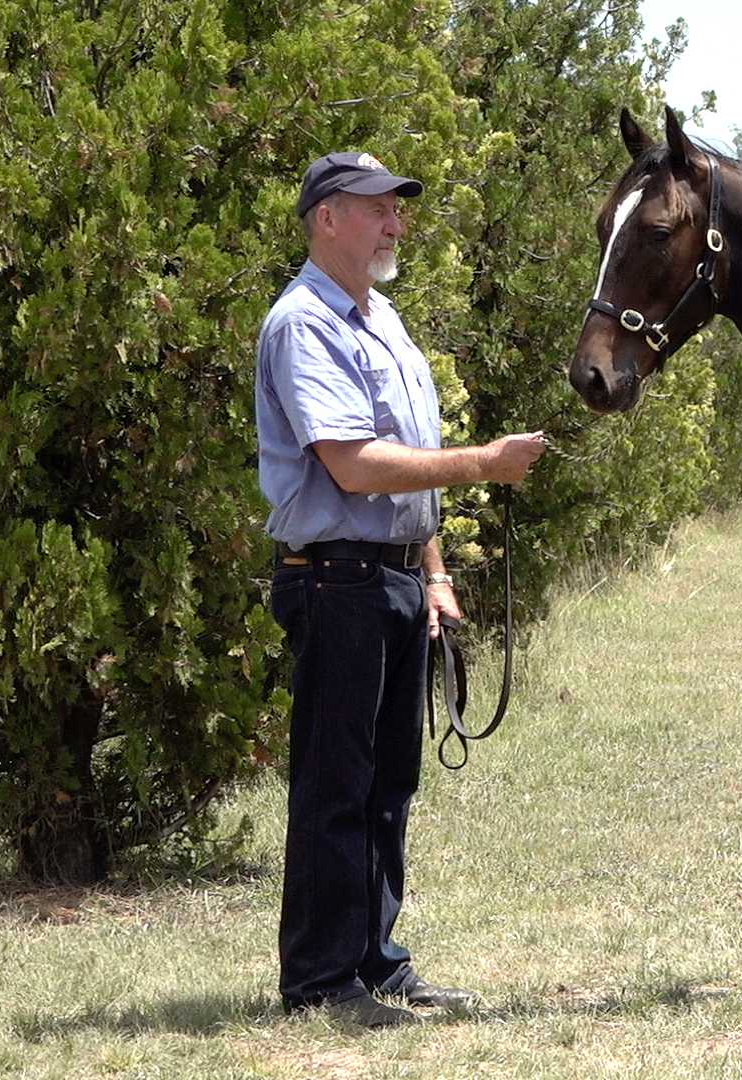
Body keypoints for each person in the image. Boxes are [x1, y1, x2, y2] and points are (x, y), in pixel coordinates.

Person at [255, 151, 546, 1028]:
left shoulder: (382, 318)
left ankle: (375, 962)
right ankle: (319, 981)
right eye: (377, 208)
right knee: (335, 785)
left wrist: (435, 571)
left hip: (389, 579)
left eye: (398, 208)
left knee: (388, 784)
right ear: (327, 218)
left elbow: (404, 475)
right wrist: (484, 464)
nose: (396, 223)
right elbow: (354, 465)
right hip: (336, 581)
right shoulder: (305, 324)